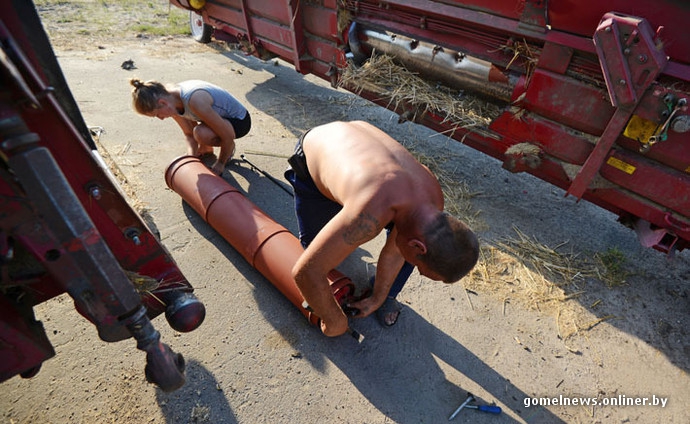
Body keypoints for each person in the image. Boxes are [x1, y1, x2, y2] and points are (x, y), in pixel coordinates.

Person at [284, 121, 479, 337]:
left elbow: (396, 252)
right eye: (420, 269)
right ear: (417, 245)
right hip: (315, 148)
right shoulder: (368, 217)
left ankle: (385, 295)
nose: (419, 272)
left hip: (361, 155)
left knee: (407, 251)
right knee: (314, 249)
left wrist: (377, 298)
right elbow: (305, 272)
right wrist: (334, 321)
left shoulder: (433, 202)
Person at [130, 79, 251, 175]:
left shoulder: (194, 100)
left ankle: (228, 148)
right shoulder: (172, 102)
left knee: (201, 133)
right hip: (217, 119)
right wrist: (190, 158)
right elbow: (189, 134)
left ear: (162, 103)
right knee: (196, 133)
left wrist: (220, 163)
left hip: (239, 121)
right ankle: (207, 149)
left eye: (157, 115)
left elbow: (228, 136)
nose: (160, 118)